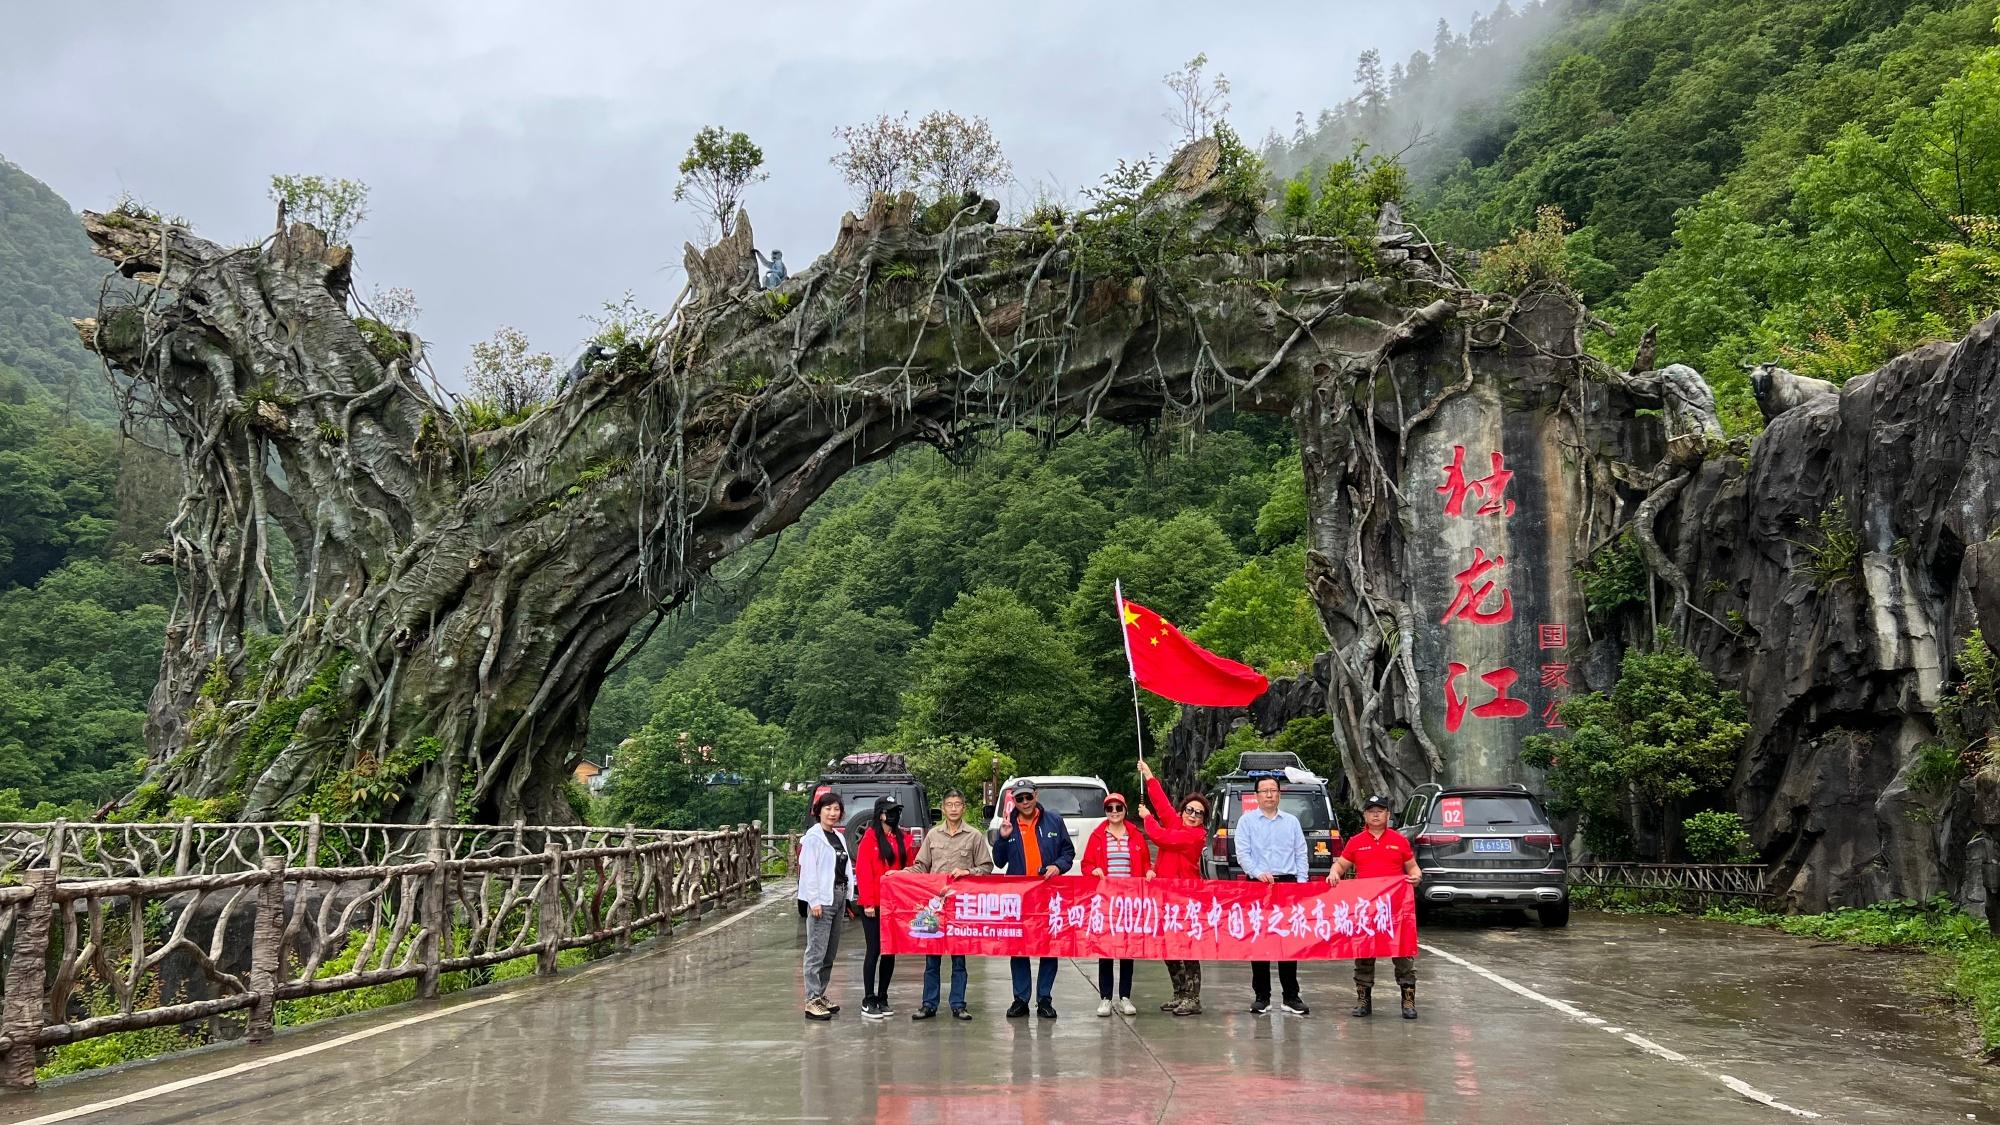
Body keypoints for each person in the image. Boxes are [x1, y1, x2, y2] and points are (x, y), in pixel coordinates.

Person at [1332, 793, 1424, 1019]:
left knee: (1403, 955)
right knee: (1364, 954)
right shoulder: (1356, 842)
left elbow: (1413, 868)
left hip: (1395, 910)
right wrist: (1334, 874)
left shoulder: (1399, 840)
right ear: (1365, 815)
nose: (1375, 814)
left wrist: (1416, 876)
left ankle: (1408, 1002)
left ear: (1388, 814)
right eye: (1371, 810)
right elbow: (1340, 866)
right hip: (1366, 910)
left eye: (1380, 810)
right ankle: (1363, 1000)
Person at [909, 789, 994, 1021]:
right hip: (934, 907)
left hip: (960, 908)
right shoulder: (933, 836)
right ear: (944, 808)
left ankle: (958, 1004)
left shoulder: (974, 836)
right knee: (932, 958)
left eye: (958, 804)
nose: (954, 808)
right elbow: (921, 866)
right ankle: (929, 1004)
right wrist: (899, 874)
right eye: (949, 804)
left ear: (964, 807)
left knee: (959, 959)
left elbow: (987, 868)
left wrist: (968, 871)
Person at [993, 779, 1074, 1019]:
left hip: (1047, 896)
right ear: (1014, 801)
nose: (1025, 802)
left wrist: (1057, 867)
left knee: (1049, 947)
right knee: (1018, 947)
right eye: (1020, 799)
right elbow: (999, 862)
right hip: (1018, 898)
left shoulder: (1054, 820)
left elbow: (1068, 853)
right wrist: (1003, 838)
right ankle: (1020, 999)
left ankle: (1045, 999)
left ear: (1036, 795)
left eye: (1028, 797)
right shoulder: (1008, 825)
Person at [1136, 758, 1209, 1015]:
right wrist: (1149, 775)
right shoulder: (1178, 822)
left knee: (1188, 946)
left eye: (1198, 813)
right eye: (1189, 810)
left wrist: (1147, 819)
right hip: (1164, 895)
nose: (1192, 815)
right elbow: (1163, 805)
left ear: (1203, 819)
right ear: (1183, 811)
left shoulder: (1195, 836)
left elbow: (1161, 837)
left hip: (1187, 897)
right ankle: (1179, 993)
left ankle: (1193, 997)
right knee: (1168, 945)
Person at [1235, 775, 1309, 1016]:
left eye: (1273, 790)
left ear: (1280, 794)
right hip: (1258, 885)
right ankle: (1261, 997)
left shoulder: (1291, 822)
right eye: (1264, 791)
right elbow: (1242, 853)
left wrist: (1302, 884)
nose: (1269, 794)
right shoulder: (1246, 821)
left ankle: (1291, 996)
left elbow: (1301, 854)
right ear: (1256, 796)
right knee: (1261, 941)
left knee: (1287, 942)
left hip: (1287, 885)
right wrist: (1256, 873)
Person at [1083, 790, 1151, 1017]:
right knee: (1106, 950)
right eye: (1109, 808)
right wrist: (1093, 870)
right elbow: (1086, 865)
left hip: (1131, 902)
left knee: (1127, 950)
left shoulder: (1136, 835)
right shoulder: (1097, 836)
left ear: (1125, 810)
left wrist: (1150, 872)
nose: (1114, 812)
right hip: (1106, 902)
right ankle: (1105, 998)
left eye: (1118, 808)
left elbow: (1146, 864)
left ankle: (1125, 997)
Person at [856, 796, 918, 1019]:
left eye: (896, 811)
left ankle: (883, 996)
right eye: (889, 811)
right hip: (873, 904)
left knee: (890, 951)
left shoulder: (903, 838)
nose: (893, 815)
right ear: (880, 814)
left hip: (895, 905)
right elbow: (864, 873)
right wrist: (869, 902)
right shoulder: (870, 838)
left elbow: (911, 868)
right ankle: (868, 998)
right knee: (874, 950)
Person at [797, 791, 852, 1020]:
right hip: (822, 899)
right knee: (816, 951)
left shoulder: (837, 836)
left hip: (838, 896)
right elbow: (808, 870)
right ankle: (811, 999)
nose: (832, 813)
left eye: (836, 809)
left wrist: (849, 896)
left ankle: (820, 994)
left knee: (830, 951)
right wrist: (814, 901)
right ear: (818, 811)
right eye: (827, 808)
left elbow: (845, 867)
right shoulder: (812, 837)